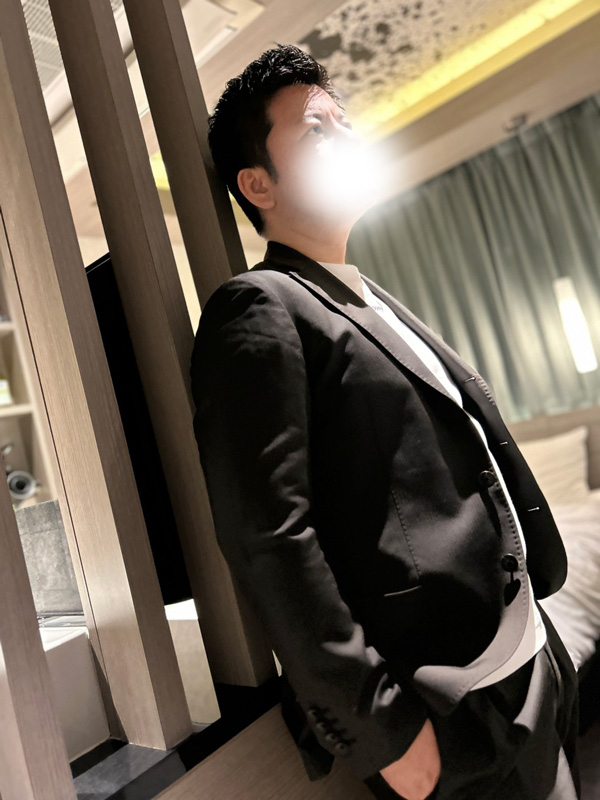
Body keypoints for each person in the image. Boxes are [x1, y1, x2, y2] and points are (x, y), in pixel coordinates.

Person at [189, 44, 581, 799]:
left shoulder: (368, 294)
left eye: (346, 122)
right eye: (317, 130)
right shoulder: (261, 306)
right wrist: (381, 729)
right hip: (451, 706)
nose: (347, 138)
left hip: (528, 658)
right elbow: (271, 534)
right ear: (257, 183)